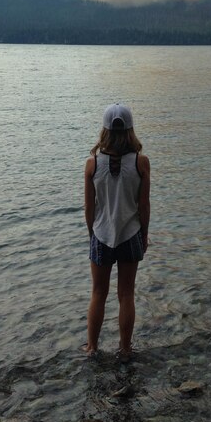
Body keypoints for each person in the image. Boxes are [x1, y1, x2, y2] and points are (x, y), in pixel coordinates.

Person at [84, 103, 150, 361]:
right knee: (127, 294)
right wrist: (144, 234)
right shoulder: (141, 162)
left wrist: (92, 234)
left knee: (98, 293)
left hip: (101, 234)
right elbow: (143, 206)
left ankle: (92, 347)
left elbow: (89, 208)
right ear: (130, 129)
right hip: (130, 233)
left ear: (105, 130)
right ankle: (124, 348)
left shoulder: (92, 164)